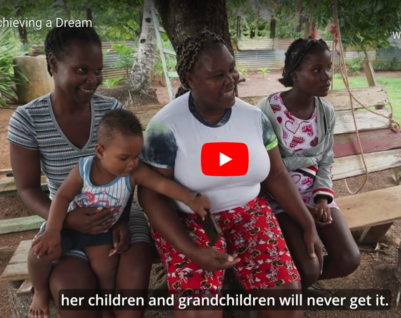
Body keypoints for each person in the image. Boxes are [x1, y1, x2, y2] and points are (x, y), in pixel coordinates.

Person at [137, 31, 322, 318]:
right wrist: (191, 250)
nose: (231, 80)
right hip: (189, 221)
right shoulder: (166, 126)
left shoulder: (254, 118)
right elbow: (151, 192)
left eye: (232, 69)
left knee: (287, 305)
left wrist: (307, 222)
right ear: (190, 79)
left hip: (250, 214)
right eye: (217, 75)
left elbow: (276, 176)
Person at [8, 26, 152, 318]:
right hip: (62, 218)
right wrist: (63, 221)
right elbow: (27, 188)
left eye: (98, 70)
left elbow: (131, 173)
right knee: (72, 295)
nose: (93, 80)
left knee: (132, 281)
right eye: (82, 69)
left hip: (119, 214)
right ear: (53, 63)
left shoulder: (112, 111)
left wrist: (122, 220)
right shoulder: (28, 119)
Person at [28, 109, 211, 318]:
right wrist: (53, 230)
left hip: (101, 231)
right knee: (39, 254)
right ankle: (40, 292)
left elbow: (161, 184)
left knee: (106, 270)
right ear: (100, 151)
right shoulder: (84, 170)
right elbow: (61, 198)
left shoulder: (134, 173)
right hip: (66, 227)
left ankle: (106, 308)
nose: (131, 163)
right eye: (124, 158)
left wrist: (191, 199)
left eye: (136, 156)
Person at [256, 38, 361, 290]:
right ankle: (287, 289)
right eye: (317, 70)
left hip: (314, 196)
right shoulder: (268, 111)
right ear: (295, 74)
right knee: (309, 266)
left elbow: (326, 160)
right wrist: (304, 214)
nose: (326, 77)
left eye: (328, 69)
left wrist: (322, 201)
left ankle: (298, 287)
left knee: (349, 259)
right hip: (279, 199)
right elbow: (263, 170)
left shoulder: (325, 112)